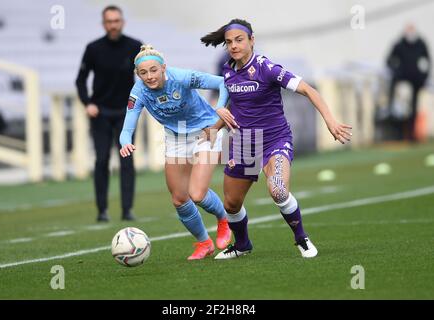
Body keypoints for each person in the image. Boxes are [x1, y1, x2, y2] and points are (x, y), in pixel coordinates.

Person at [200, 19, 352, 259]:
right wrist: (215, 129)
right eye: (229, 42)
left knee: (278, 190)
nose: (234, 45)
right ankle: (242, 245)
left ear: (252, 40)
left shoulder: (267, 68)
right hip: (244, 143)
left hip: (274, 140)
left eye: (239, 40)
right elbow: (235, 105)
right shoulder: (228, 70)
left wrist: (330, 121)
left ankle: (301, 238)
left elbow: (308, 90)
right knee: (231, 204)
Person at [119, 45, 238, 260]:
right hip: (176, 137)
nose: (149, 76)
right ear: (138, 74)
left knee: (197, 194)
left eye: (154, 70)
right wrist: (125, 142)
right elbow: (128, 126)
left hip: (206, 131)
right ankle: (204, 243)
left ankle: (223, 219)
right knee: (179, 198)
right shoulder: (138, 92)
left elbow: (222, 83)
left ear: (163, 68)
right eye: (143, 73)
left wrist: (220, 108)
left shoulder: (183, 77)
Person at [75, 5, 142, 222]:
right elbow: (80, 80)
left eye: (116, 21)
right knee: (101, 160)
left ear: (122, 22)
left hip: (127, 113)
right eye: (109, 21)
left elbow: (146, 76)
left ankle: (127, 210)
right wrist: (87, 103)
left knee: (126, 161)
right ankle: (102, 211)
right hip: (100, 113)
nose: (113, 25)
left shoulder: (135, 46)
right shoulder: (93, 48)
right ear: (104, 24)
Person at [386, 23, 431, 142]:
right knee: (401, 110)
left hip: (416, 81)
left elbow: (427, 60)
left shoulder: (420, 43)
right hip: (403, 81)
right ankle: (399, 135)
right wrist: (397, 73)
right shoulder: (399, 44)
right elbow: (389, 60)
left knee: (413, 109)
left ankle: (411, 135)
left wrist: (423, 76)